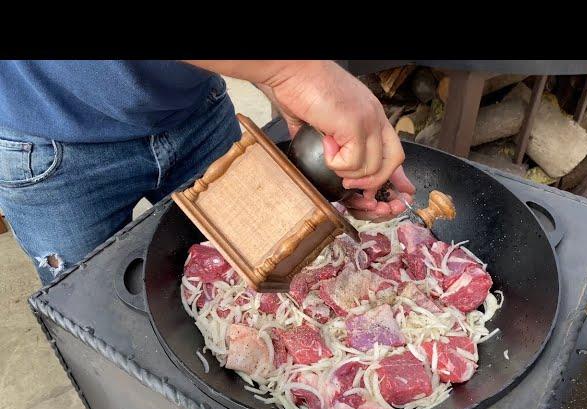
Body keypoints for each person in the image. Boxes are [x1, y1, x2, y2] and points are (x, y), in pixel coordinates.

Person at [0, 60, 415, 284]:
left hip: (195, 110)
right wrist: (292, 70)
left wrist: (282, 85)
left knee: (244, 263)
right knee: (95, 304)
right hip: (51, 142)